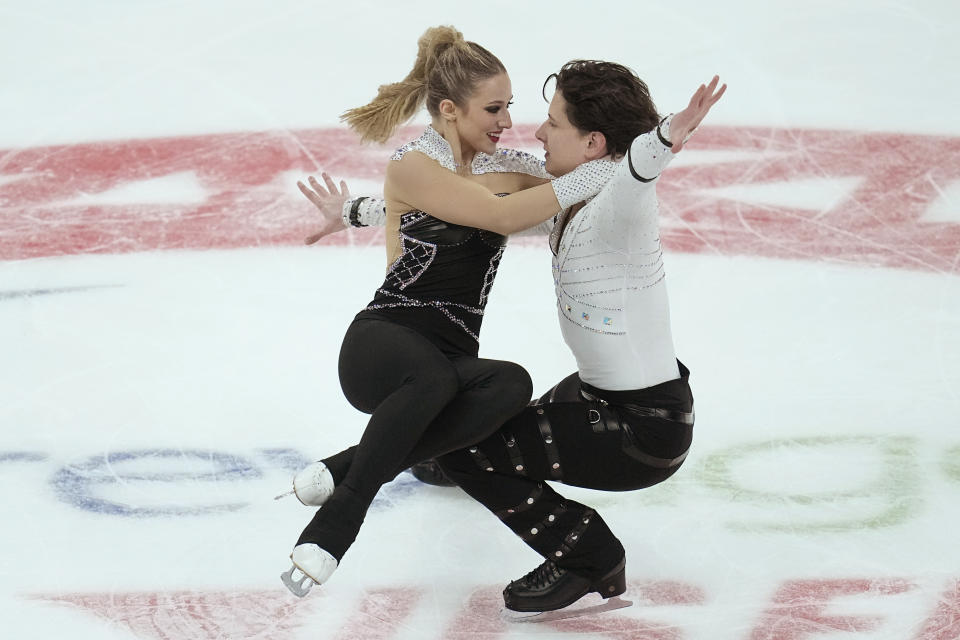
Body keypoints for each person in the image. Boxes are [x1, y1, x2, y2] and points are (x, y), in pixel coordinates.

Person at [295, 61, 725, 617]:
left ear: (593, 143)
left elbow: (638, 171)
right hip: (595, 397)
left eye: (553, 124)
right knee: (474, 417)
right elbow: (453, 216)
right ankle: (429, 452)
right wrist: (356, 211)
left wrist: (665, 137)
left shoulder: (621, 203)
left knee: (471, 454)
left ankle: (588, 556)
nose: (537, 134)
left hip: (640, 430)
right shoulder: (574, 201)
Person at [280, 26, 620, 598]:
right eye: (493, 107)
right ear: (448, 109)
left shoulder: (502, 168)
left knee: (511, 383)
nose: (507, 120)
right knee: (434, 377)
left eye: (509, 105)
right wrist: (605, 170)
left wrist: (356, 210)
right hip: (383, 344)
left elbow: (556, 195)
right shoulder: (414, 164)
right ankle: (336, 525)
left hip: (451, 366)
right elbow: (497, 214)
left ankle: (348, 465)